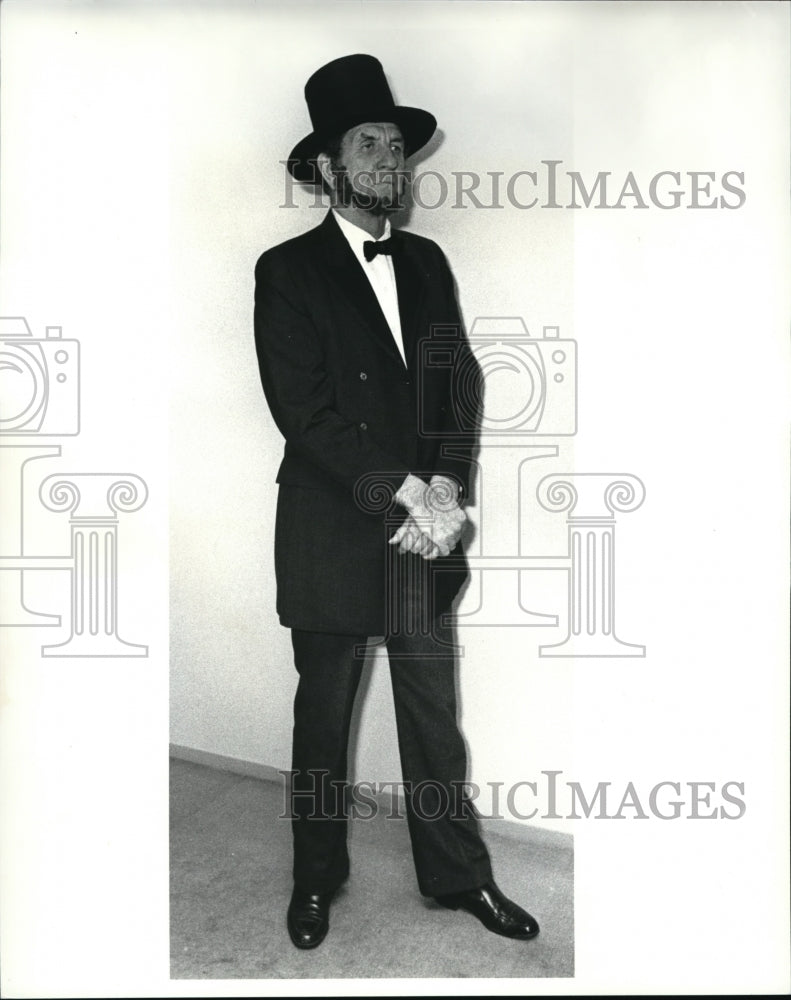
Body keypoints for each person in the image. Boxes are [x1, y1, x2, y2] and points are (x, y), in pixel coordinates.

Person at [253, 53, 539, 950]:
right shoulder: (285, 269)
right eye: (367, 144)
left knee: (430, 715)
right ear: (328, 168)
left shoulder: (425, 259)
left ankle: (459, 877)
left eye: (396, 146)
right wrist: (408, 493)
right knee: (323, 723)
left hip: (428, 530)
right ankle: (315, 878)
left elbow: (457, 384)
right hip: (335, 530)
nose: (389, 161)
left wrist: (448, 484)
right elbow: (305, 413)